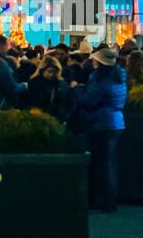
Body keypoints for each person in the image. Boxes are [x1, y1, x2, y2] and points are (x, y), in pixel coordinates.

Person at [71, 45, 127, 212]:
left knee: (100, 165)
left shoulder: (99, 79)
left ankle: (100, 201)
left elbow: (89, 102)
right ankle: (109, 199)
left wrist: (77, 89)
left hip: (100, 123)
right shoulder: (120, 76)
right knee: (109, 163)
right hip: (117, 122)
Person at [25, 56, 75, 122]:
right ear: (42, 70)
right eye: (49, 71)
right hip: (37, 118)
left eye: (54, 72)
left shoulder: (60, 84)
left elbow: (67, 101)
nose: (52, 74)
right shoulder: (34, 83)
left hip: (55, 119)